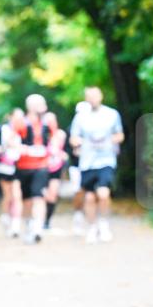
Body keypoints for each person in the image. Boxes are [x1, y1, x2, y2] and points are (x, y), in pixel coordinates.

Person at [69, 86, 124, 243]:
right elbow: (73, 138)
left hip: (106, 160)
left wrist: (107, 141)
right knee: (90, 197)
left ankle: (104, 223)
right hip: (87, 162)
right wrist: (80, 142)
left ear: (101, 96)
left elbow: (120, 135)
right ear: (86, 99)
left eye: (95, 96)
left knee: (103, 193)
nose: (92, 99)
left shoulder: (111, 114)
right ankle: (92, 227)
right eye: (89, 96)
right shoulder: (80, 117)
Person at [15, 94, 52, 244]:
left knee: (39, 196)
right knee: (27, 200)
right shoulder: (21, 122)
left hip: (41, 166)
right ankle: (29, 224)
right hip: (24, 166)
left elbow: (56, 137)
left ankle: (38, 228)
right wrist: (21, 148)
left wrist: (51, 150)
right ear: (31, 106)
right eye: (40, 104)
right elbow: (11, 140)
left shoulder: (48, 122)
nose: (44, 107)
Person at [0, 108, 24, 237]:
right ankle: (6, 216)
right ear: (10, 117)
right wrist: (4, 147)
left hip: (19, 166)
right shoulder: (3, 130)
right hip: (5, 167)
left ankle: (16, 225)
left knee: (17, 195)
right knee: (8, 196)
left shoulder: (25, 131)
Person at [68, 101, 91, 235]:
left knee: (92, 193)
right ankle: (78, 215)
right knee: (78, 192)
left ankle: (91, 220)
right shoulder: (72, 129)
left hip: (92, 165)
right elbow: (67, 147)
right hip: (77, 166)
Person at [43, 111, 68, 230]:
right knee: (42, 195)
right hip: (42, 168)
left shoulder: (61, 135)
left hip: (56, 168)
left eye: (52, 121)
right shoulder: (40, 135)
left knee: (52, 195)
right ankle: (38, 218)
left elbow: (67, 151)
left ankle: (47, 221)